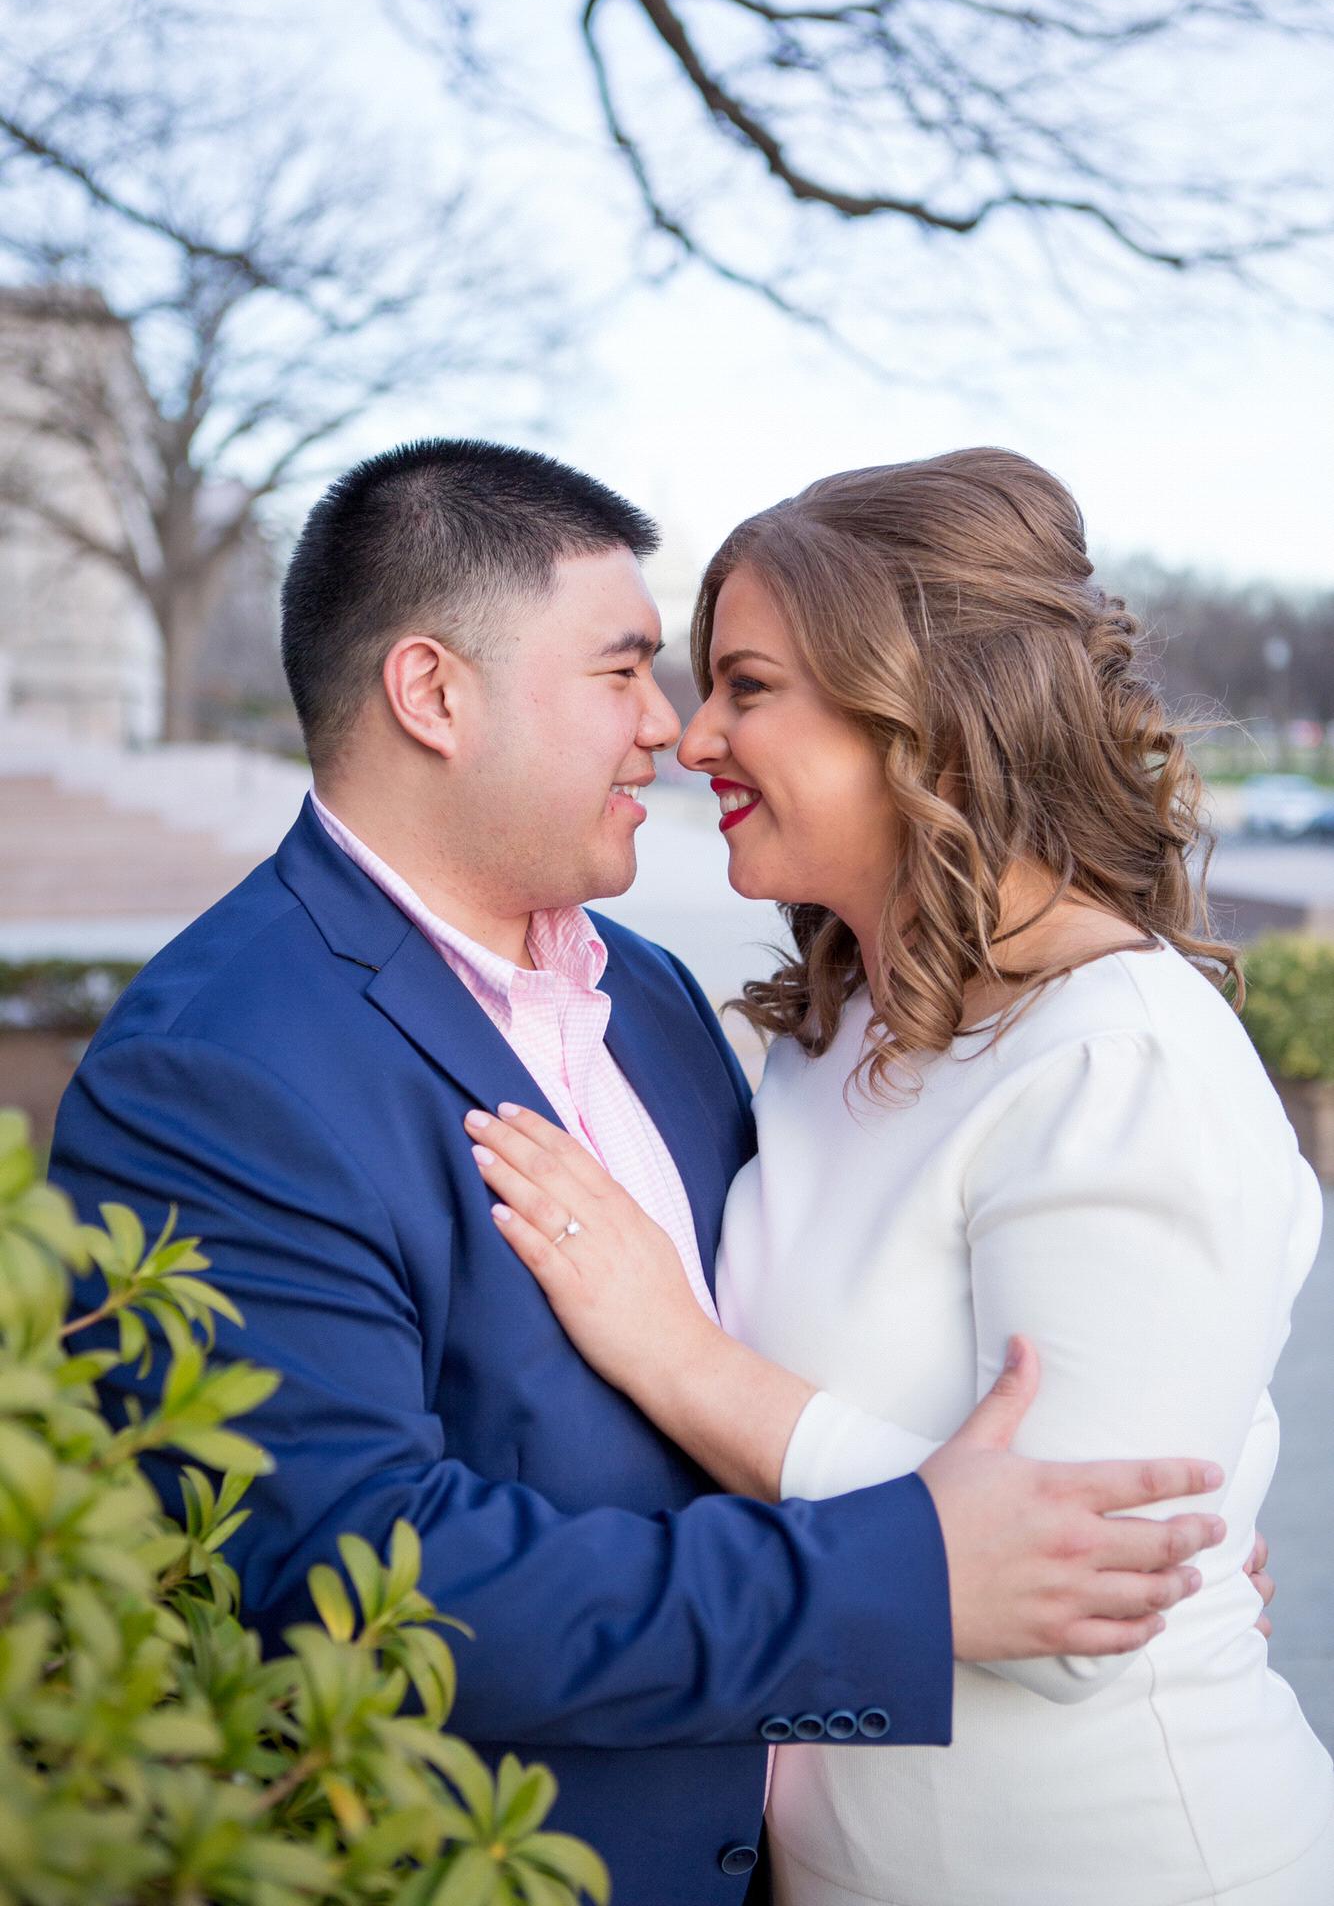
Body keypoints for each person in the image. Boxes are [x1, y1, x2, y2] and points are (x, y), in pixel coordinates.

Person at [51, 440, 1230, 1906]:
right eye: (624, 672)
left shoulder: (657, 997)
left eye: (715, 684)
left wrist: (1150, 1548)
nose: (669, 733)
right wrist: (922, 1572)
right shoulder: (219, 1066)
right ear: (433, 694)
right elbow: (353, 1572)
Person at [464, 448, 1333, 1904]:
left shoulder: (1120, 1068)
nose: (694, 740)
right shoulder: (845, 1022)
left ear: (918, 716)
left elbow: (1069, 1610)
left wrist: (675, 1355)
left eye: (747, 686)